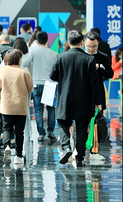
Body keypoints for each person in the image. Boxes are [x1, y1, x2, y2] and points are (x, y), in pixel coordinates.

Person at [50, 30, 100, 167]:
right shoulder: (89, 59)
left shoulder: (60, 57)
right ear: (82, 42)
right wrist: (97, 102)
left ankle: (66, 147)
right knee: (82, 128)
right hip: (84, 100)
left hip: (65, 98)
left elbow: (52, 76)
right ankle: (79, 156)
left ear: (68, 42)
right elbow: (93, 83)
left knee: (62, 123)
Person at [0, 49, 33, 166]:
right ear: (18, 59)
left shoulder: (2, 71)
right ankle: (18, 156)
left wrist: (0, 98)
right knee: (20, 131)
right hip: (21, 107)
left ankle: (7, 147)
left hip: (6, 105)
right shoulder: (24, 73)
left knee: (6, 128)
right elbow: (30, 88)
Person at [22, 31, 57, 142]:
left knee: (38, 110)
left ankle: (41, 133)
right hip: (50, 84)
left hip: (37, 84)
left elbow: (24, 63)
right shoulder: (53, 53)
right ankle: (50, 131)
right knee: (51, 109)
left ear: (36, 41)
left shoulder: (33, 51)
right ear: (48, 40)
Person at [84, 31, 113, 111]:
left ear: (98, 44)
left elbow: (110, 74)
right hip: (83, 91)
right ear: (84, 43)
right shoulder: (80, 56)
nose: (91, 49)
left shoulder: (103, 57)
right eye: (88, 46)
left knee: (98, 118)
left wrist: (99, 69)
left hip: (98, 90)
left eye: (94, 46)